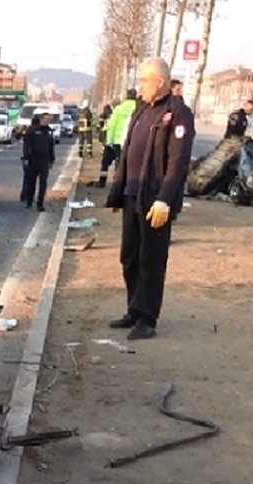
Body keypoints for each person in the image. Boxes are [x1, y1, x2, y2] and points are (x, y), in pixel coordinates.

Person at [104, 57, 195, 341]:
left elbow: (178, 162)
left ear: (160, 82)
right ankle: (134, 308)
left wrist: (165, 200)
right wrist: (118, 193)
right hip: (133, 194)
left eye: (144, 80)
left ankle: (147, 317)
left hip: (155, 200)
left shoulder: (177, 113)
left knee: (151, 259)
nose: (140, 85)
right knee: (129, 256)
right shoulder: (141, 110)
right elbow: (128, 151)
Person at [95, 90, 137, 187]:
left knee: (105, 162)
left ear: (127, 96)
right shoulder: (138, 109)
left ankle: (102, 181)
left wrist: (109, 141)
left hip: (116, 140)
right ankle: (121, 183)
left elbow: (112, 126)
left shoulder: (119, 109)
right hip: (131, 141)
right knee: (123, 163)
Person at [20, 114, 55, 211]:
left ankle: (40, 203)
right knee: (32, 182)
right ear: (41, 119)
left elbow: (51, 147)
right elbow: (27, 145)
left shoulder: (49, 131)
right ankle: (29, 201)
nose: (47, 121)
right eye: (46, 119)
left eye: (49, 119)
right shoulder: (33, 130)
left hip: (44, 161)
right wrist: (26, 158)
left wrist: (52, 160)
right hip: (33, 159)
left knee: (43, 182)